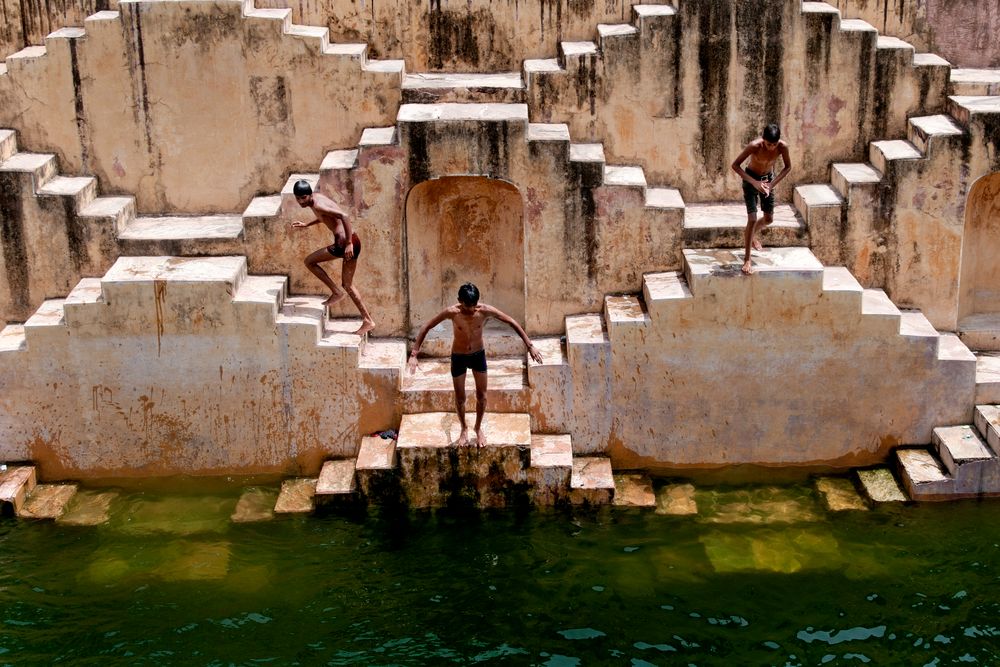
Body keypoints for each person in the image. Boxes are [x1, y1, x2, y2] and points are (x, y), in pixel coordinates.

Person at [407, 283, 544, 448]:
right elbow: (426, 327)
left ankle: (478, 428)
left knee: (482, 397)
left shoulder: (484, 310)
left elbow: (511, 322)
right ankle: (464, 428)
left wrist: (530, 346)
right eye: (466, 306)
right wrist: (414, 354)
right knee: (460, 398)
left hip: (478, 356)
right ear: (459, 301)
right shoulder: (452, 312)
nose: (470, 310)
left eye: (473, 307)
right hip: (459, 357)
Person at [290, 180, 375, 335]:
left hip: (345, 243)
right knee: (348, 285)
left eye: (303, 198)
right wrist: (307, 224)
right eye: (297, 198)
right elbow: (325, 216)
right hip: (354, 240)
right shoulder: (316, 199)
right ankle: (368, 320)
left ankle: (336, 292)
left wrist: (348, 243)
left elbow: (344, 215)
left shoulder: (316, 205)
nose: (300, 201)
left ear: (308, 195)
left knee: (309, 261)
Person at [731, 124, 792, 275]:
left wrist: (771, 185)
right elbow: (735, 165)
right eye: (768, 144)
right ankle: (747, 259)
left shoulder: (783, 147)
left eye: (774, 144)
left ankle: (750, 235)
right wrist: (754, 183)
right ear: (763, 140)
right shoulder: (754, 146)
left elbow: (788, 167)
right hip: (751, 179)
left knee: (768, 219)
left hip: (767, 181)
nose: (771, 148)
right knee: (752, 219)